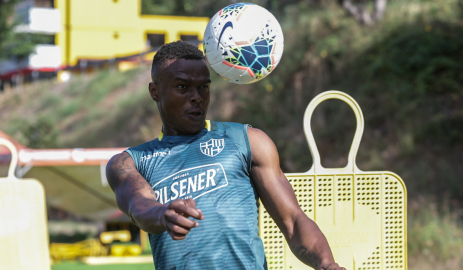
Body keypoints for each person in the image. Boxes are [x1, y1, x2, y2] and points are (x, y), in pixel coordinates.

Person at [106, 40, 345, 270]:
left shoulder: (248, 141)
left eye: (204, 86)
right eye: (182, 87)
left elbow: (293, 220)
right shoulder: (129, 162)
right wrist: (162, 214)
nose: (197, 96)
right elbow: (139, 207)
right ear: (155, 92)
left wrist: (325, 262)